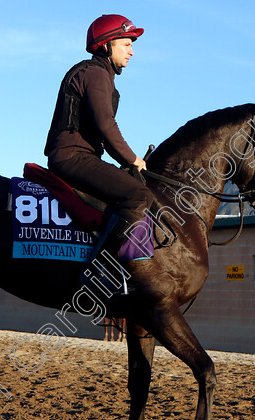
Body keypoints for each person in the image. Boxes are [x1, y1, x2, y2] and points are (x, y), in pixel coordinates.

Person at [44, 14, 154, 290]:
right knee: (138, 193)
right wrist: (133, 160)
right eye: (126, 43)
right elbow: (106, 124)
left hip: (83, 157)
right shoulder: (95, 73)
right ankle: (100, 270)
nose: (132, 51)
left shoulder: (100, 75)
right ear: (106, 45)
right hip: (72, 157)